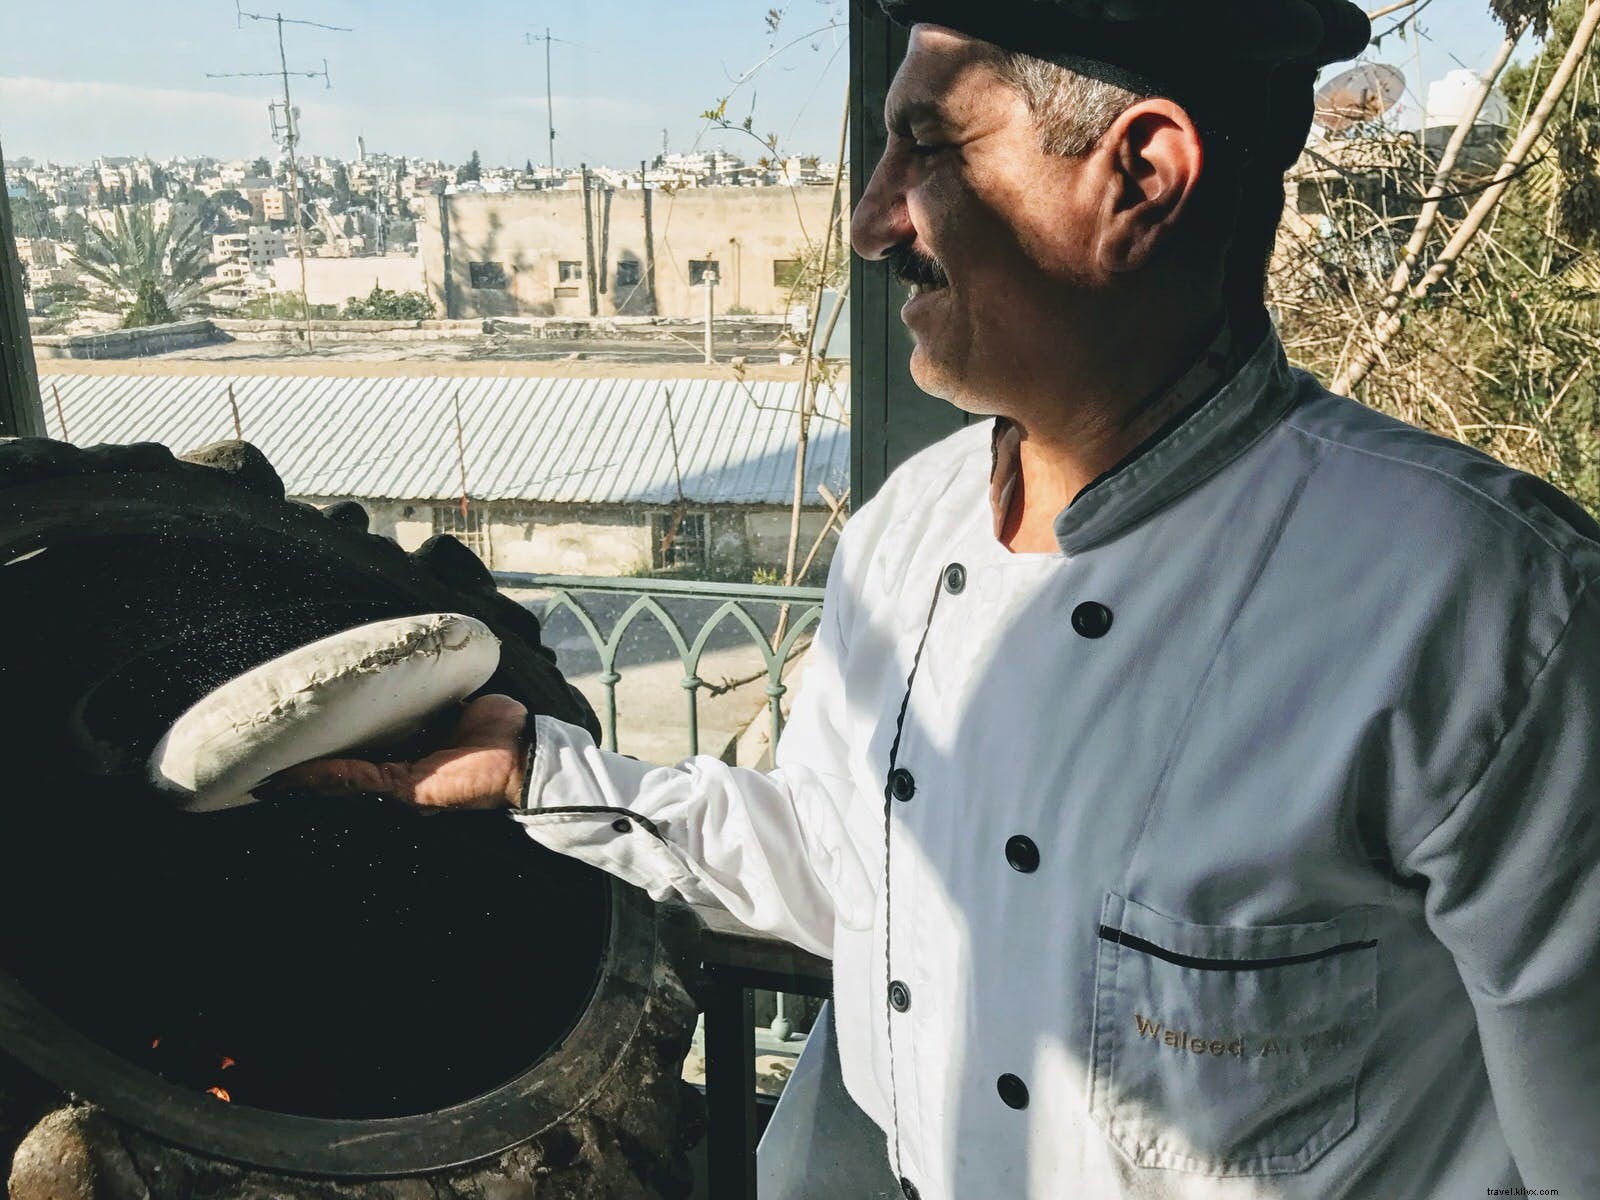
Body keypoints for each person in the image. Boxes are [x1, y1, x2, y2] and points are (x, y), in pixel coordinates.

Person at [283, 2, 1600, 1195]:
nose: (869, 221)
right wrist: (533, 769)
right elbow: (852, 878)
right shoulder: (907, 531)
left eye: (926, 145)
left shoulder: (1489, 611)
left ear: (1137, 178)